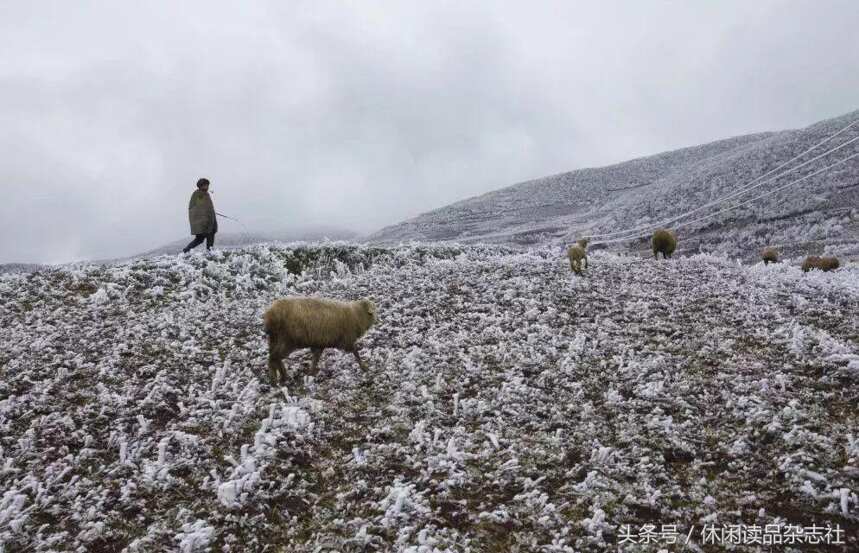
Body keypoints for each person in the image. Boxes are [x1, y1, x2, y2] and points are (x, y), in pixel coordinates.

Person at [183, 178, 218, 252]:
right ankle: (209, 252)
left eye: (207, 185)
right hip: (203, 222)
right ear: (200, 186)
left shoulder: (205, 194)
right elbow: (199, 209)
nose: (207, 187)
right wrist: (205, 221)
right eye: (205, 185)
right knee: (202, 238)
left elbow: (207, 208)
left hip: (207, 221)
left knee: (203, 238)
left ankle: (187, 250)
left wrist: (211, 213)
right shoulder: (199, 195)